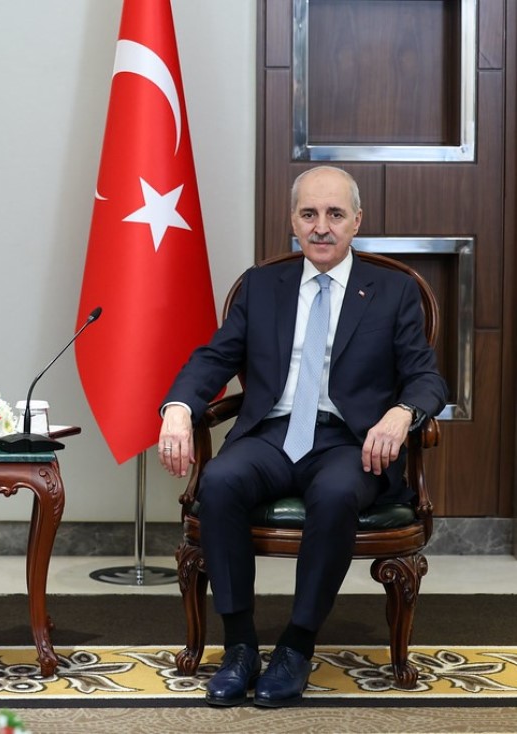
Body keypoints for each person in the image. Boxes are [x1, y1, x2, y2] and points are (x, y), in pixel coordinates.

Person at [157, 166, 447, 708]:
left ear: (356, 221)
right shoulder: (262, 285)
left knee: (336, 493)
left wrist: (401, 413)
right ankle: (240, 646)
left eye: (335, 214)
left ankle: (296, 646)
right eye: (309, 214)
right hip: (272, 434)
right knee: (219, 481)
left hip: (349, 441)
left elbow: (427, 378)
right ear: (293, 220)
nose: (321, 227)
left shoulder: (393, 291)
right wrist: (177, 408)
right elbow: (215, 357)